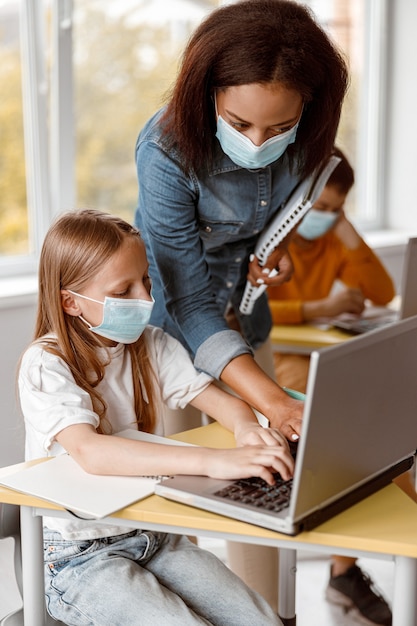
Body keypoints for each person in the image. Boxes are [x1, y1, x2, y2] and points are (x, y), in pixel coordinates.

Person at [134, 0, 348, 607]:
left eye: (279, 128)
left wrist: (270, 256)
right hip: (172, 334)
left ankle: (271, 612)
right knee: (174, 504)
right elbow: (190, 299)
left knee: (267, 487)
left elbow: (268, 223)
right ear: (206, 97)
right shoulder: (166, 151)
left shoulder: (311, 136)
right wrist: (274, 400)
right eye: (240, 122)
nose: (259, 142)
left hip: (247, 313)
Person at [17, 209, 295, 626]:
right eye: (123, 290)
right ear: (70, 301)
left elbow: (222, 401)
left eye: (145, 282)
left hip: (155, 536)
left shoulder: (152, 344)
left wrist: (248, 429)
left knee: (263, 621)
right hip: (80, 559)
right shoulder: (45, 364)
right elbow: (92, 453)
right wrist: (214, 461)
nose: (146, 300)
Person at [268, 148, 396, 626]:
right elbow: (248, 311)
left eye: (333, 209)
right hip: (283, 366)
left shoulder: (334, 241)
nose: (322, 218)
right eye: (316, 206)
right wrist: (317, 310)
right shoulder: (272, 242)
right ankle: (344, 569)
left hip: (331, 360)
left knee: (382, 425)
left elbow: (382, 293)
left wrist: (347, 230)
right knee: (340, 435)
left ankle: (345, 570)